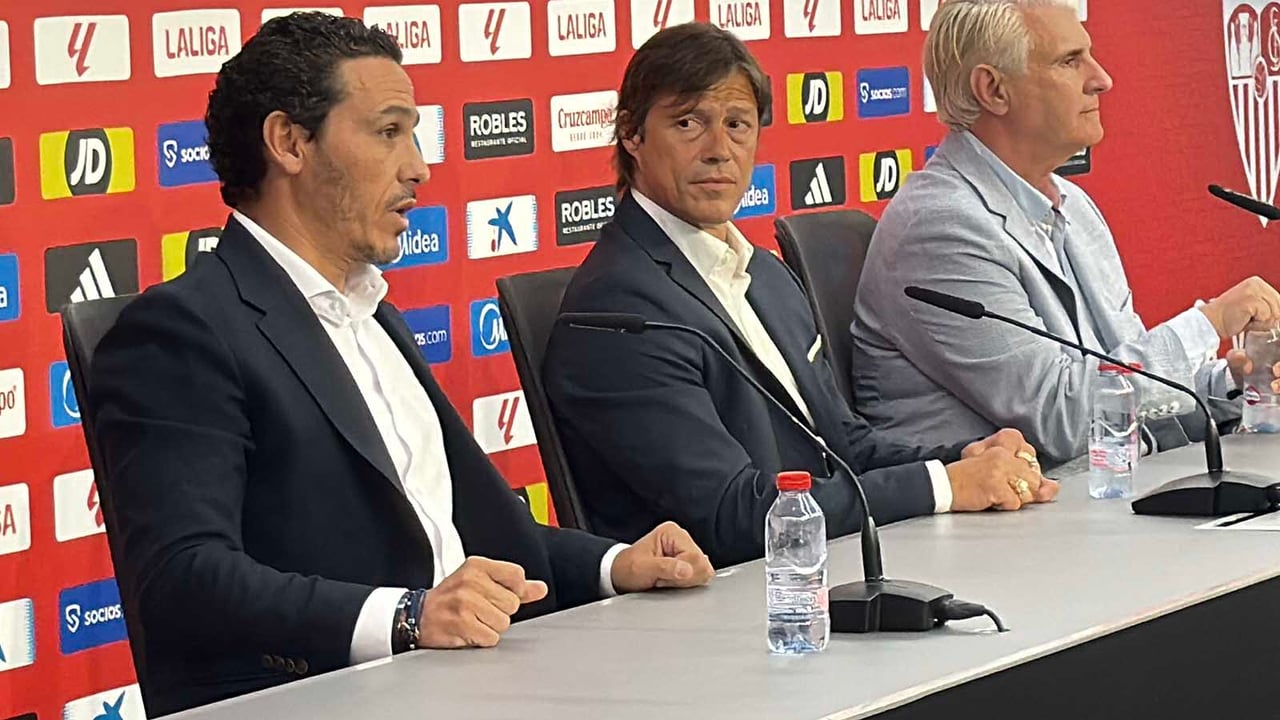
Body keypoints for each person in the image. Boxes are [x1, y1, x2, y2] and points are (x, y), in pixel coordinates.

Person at [88, 14, 714, 716]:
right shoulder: (182, 332)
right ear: (289, 142)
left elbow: (460, 534)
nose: (418, 166)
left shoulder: (372, 313)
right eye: (389, 132)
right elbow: (182, 581)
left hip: (472, 686)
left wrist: (614, 563)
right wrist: (408, 617)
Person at [542, 23, 1058, 569]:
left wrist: (964, 458)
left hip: (820, 570)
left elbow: (845, 448)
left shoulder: (765, 274)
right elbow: (733, 518)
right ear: (631, 134)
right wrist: (944, 486)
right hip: (726, 599)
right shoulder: (618, 312)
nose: (719, 151)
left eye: (737, 124)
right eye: (688, 123)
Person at [852, 0, 1280, 464]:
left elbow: (1125, 385)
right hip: (1016, 504)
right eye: (1070, 61)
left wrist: (1234, 384)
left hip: (1106, 489)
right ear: (994, 90)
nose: (1101, 79)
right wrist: (1210, 323)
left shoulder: (1072, 204)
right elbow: (1067, 420)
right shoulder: (939, 228)